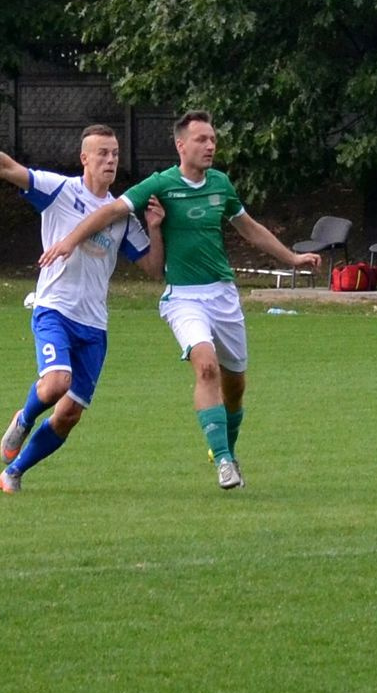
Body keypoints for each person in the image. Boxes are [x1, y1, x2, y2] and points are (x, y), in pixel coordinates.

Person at [39, 110, 322, 491]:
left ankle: (226, 447)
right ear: (181, 145)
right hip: (184, 297)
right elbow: (110, 211)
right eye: (202, 139)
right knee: (205, 367)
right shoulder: (162, 183)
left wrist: (292, 259)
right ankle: (224, 463)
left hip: (222, 294)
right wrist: (69, 242)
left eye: (213, 139)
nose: (210, 146)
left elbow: (250, 229)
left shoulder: (220, 184)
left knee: (235, 386)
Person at [0, 123, 164, 494]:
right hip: (54, 309)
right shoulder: (59, 190)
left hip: (94, 326)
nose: (110, 160)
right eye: (102, 153)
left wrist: (154, 228)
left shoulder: (122, 215)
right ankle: (24, 419)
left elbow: (154, 269)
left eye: (115, 154)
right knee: (57, 383)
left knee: (69, 414)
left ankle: (14, 473)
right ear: (84, 158)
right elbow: (5, 167)